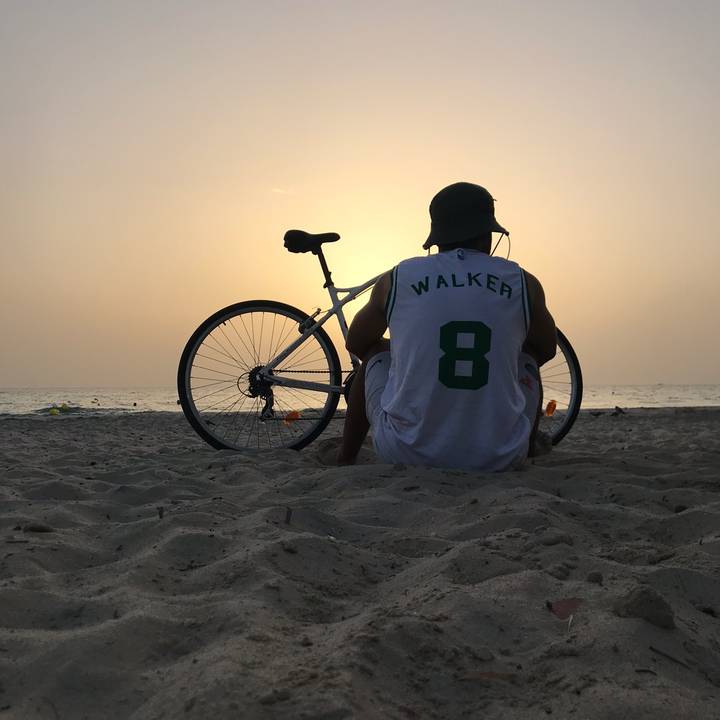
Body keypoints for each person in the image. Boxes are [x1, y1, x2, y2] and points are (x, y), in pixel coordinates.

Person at [337, 182, 557, 470]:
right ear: (489, 234)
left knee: (375, 351)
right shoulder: (522, 281)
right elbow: (546, 349)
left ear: (436, 237)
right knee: (527, 357)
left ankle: (346, 458)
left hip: (403, 451)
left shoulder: (397, 277)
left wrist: (403, 358)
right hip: (501, 456)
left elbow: (356, 343)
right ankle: (526, 448)